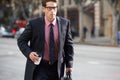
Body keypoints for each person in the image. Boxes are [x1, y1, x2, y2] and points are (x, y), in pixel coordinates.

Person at [17, 0, 74, 80]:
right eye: (49, 8)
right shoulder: (34, 24)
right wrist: (29, 53)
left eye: (54, 8)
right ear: (43, 9)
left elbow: (68, 45)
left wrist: (69, 65)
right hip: (39, 67)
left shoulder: (65, 23)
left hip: (57, 67)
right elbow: (21, 40)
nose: (52, 11)